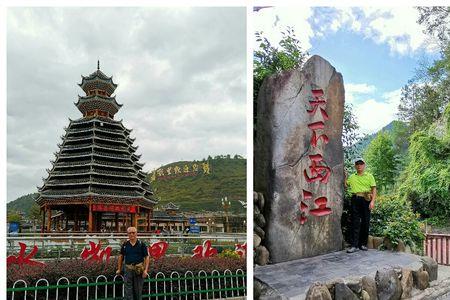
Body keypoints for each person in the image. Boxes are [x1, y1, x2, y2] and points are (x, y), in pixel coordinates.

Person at [344, 158, 377, 253]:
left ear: (364, 165)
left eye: (361, 164)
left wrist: (372, 202)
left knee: (365, 222)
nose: (359, 166)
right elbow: (346, 185)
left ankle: (362, 244)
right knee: (355, 222)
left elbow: (374, 189)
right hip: (355, 199)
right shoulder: (352, 177)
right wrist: (345, 177)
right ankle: (354, 245)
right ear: (355, 166)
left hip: (366, 199)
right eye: (357, 164)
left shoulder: (369, 176)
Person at [116, 227, 150, 300]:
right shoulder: (125, 245)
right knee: (128, 290)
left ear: (136, 233)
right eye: (129, 233)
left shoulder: (141, 244)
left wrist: (145, 270)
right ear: (127, 234)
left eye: (133, 232)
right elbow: (121, 256)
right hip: (128, 269)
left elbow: (147, 257)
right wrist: (119, 269)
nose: (131, 234)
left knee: (138, 290)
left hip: (139, 270)